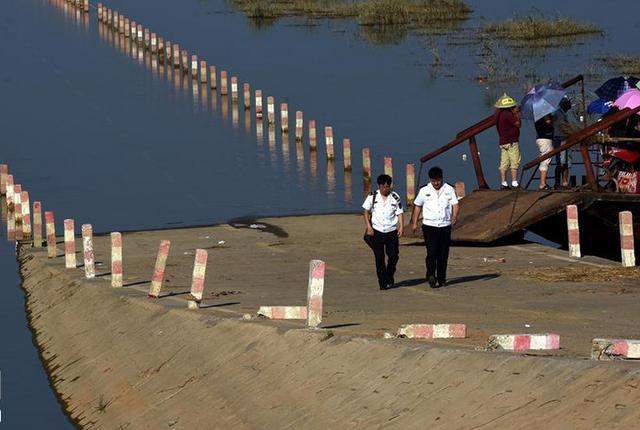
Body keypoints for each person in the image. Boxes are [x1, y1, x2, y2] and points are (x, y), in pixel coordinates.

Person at [410, 167, 459, 289]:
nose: (436, 183)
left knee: (443, 254)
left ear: (441, 178)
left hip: (444, 225)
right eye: (433, 181)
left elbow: (455, 204)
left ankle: (442, 278)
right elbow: (417, 206)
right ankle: (431, 274)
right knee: (431, 252)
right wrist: (414, 222)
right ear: (430, 179)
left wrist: (454, 217)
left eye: (438, 180)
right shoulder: (424, 190)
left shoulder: (449, 189)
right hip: (429, 226)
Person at [362, 174, 404, 290]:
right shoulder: (372, 196)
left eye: (387, 187)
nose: (385, 189)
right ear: (379, 186)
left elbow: (399, 212)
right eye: (383, 187)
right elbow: (365, 212)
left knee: (394, 256)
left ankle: (389, 275)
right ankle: (382, 283)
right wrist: (369, 227)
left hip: (391, 231)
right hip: (377, 231)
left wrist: (401, 227)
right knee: (379, 258)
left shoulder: (395, 197)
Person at [494, 93, 521, 189]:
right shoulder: (508, 114)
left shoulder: (498, 114)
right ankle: (514, 183)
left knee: (504, 162)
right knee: (514, 161)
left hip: (503, 141)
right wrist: (517, 114)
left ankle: (503, 183)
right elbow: (518, 124)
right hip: (511, 141)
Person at [553, 97, 572, 188]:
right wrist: (572, 131)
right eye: (568, 103)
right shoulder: (559, 114)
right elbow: (563, 126)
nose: (570, 105)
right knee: (561, 161)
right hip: (560, 139)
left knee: (566, 162)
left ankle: (564, 182)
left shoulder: (562, 113)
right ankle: (557, 183)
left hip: (563, 139)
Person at [535, 113, 554, 190]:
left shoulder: (537, 116)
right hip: (545, 139)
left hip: (540, 139)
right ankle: (542, 183)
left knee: (544, 159)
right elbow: (548, 122)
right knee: (545, 160)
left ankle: (543, 182)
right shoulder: (543, 115)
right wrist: (550, 118)